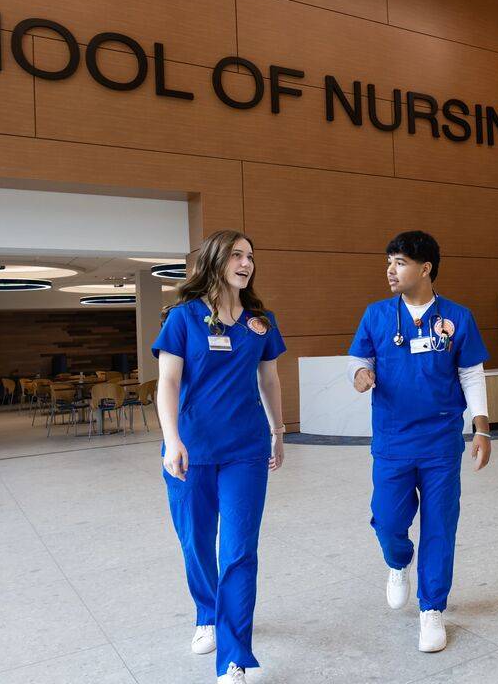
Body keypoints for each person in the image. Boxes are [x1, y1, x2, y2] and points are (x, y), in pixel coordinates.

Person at [348, 230, 491, 653]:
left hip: (441, 440)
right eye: (389, 262)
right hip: (392, 439)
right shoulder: (376, 315)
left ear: (425, 268)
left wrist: (481, 428)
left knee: (440, 525)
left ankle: (432, 609)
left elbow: (471, 374)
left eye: (399, 262)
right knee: (388, 519)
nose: (390, 270)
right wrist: (359, 374)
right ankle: (397, 561)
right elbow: (361, 357)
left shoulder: (457, 317)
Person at [155, 230, 287, 684]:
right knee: (194, 540)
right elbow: (168, 383)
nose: (246, 262)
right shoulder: (183, 318)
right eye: (236, 254)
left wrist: (278, 430)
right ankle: (206, 613)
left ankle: (234, 656)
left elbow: (269, 381)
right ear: (215, 260)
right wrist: (172, 440)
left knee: (238, 550)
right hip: (190, 450)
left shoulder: (261, 322)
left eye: (251, 255)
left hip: (245, 451)